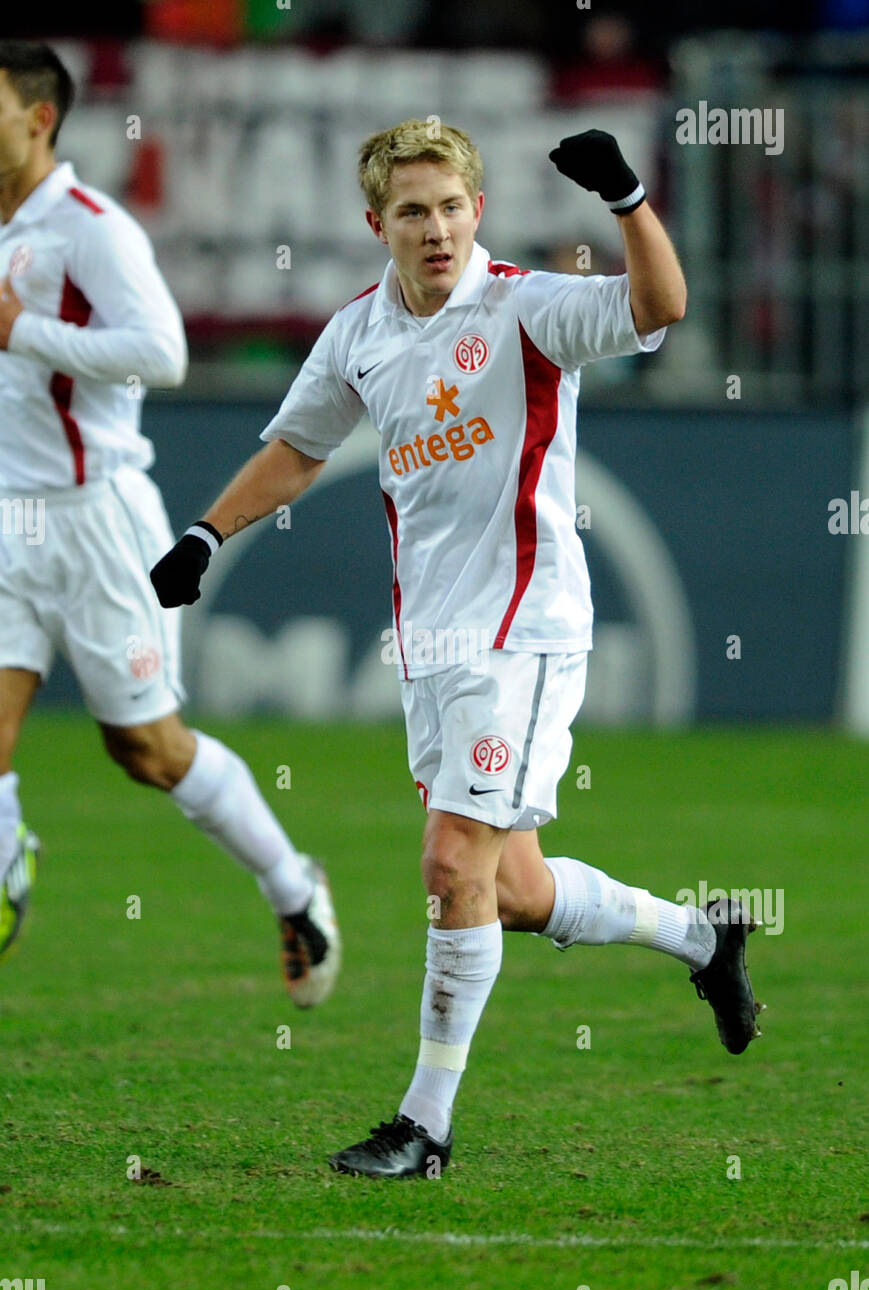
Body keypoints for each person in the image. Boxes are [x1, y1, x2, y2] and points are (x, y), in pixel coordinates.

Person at [151, 119, 762, 1178]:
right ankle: (702, 940)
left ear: (476, 211)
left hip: (522, 632)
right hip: (431, 646)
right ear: (374, 224)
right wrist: (205, 534)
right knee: (510, 890)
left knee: (446, 866)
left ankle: (423, 1125)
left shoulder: (525, 310)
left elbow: (658, 305)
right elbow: (297, 450)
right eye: (410, 212)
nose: (433, 229)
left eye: (449, 207)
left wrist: (624, 200)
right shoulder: (358, 335)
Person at [0, 41, 340, 1006]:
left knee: (146, 750)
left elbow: (163, 352)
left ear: (38, 117)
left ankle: (292, 884)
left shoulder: (90, 229)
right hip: (5, 521)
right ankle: (6, 870)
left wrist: (21, 329)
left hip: (97, 522)